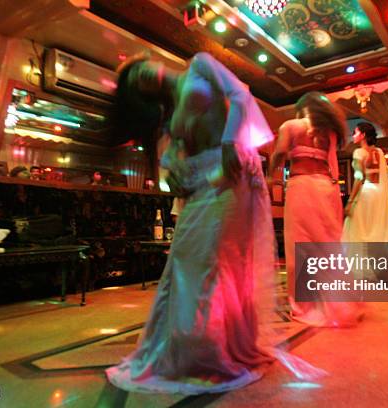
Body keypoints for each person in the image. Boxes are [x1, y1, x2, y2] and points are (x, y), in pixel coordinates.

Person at [105, 52, 291, 394]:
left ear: (148, 61)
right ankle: (186, 348)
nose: (141, 78)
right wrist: (172, 173)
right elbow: (176, 154)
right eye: (135, 84)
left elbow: (240, 94)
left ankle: (217, 348)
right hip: (198, 185)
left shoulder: (201, 65)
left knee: (220, 261)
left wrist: (231, 141)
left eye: (138, 70)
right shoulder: (168, 113)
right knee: (184, 259)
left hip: (230, 173)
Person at [268, 92, 361, 327]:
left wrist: (271, 177)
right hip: (326, 189)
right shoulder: (328, 134)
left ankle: (305, 306)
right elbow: (332, 169)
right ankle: (340, 300)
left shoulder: (290, 125)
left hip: (302, 187)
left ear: (301, 109)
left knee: (299, 247)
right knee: (328, 248)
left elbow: (278, 154)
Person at [342, 122, 388, 243]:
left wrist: (350, 202)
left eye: (355, 132)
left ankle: (361, 260)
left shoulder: (359, 152)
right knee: (377, 228)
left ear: (363, 135)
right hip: (379, 195)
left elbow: (358, 178)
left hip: (366, 194)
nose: (353, 135)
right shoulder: (379, 152)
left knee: (358, 231)